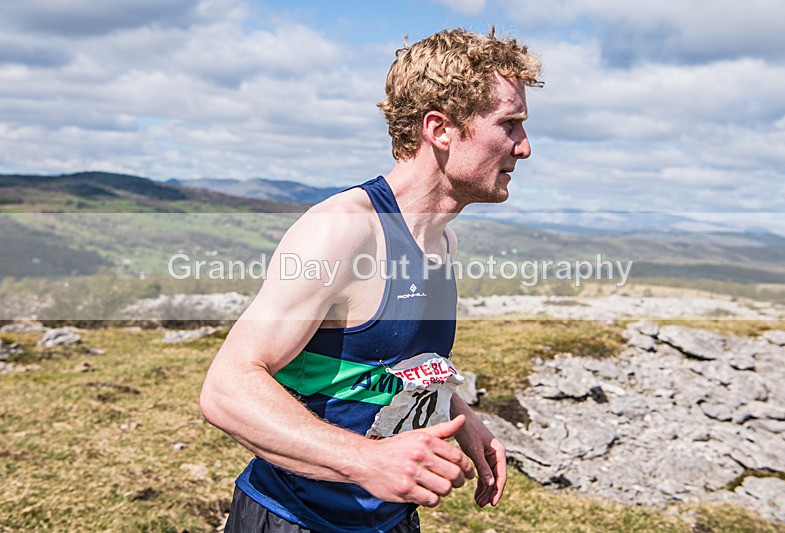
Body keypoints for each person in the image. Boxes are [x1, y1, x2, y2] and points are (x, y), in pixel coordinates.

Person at [200, 27, 542, 533]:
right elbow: (226, 389)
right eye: (509, 124)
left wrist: (459, 412)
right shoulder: (343, 229)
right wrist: (369, 461)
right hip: (296, 521)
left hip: (389, 521)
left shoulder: (439, 238)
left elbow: (386, 357)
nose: (525, 148)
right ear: (440, 129)